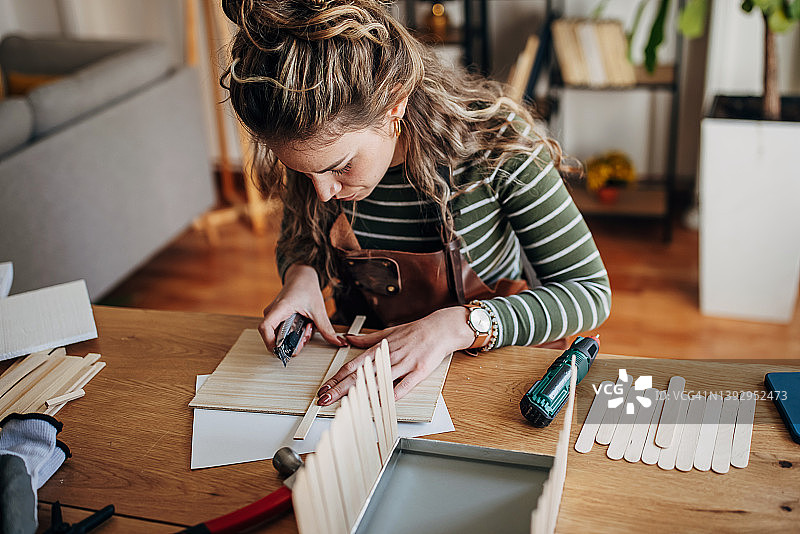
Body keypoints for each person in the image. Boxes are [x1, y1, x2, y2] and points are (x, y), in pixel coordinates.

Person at [220, 0, 611, 408]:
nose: (322, 192)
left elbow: (590, 293)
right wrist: (300, 275)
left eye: (340, 167)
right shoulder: (317, 155)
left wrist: (459, 325)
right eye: (303, 172)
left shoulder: (496, 147)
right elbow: (302, 238)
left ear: (395, 105)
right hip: (368, 369)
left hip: (486, 376)